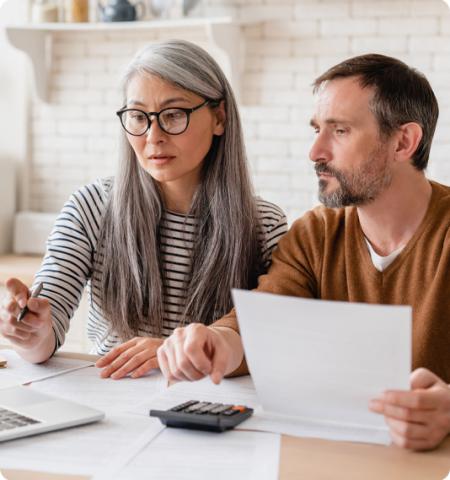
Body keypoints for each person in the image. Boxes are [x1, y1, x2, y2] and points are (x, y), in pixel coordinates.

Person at [157, 54, 450, 451]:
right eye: (316, 130)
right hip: (339, 457)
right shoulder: (315, 233)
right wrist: (214, 342)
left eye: (340, 131)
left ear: (404, 142)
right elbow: (260, 323)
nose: (315, 151)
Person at [0, 40, 287, 380]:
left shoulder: (264, 224)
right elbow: (44, 338)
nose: (153, 136)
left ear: (219, 118)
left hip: (213, 406)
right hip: (115, 401)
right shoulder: (92, 206)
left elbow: (273, 343)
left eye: (174, 115)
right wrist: (29, 331)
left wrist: (169, 352)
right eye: (138, 117)